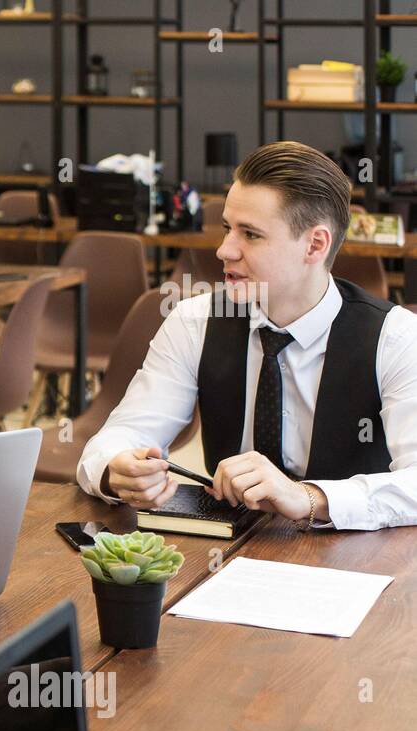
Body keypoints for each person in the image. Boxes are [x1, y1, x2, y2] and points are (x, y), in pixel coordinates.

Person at [78, 141, 417, 531]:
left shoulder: (396, 337)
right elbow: (117, 438)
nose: (224, 250)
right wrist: (116, 470)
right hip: (227, 549)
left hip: (357, 555)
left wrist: (308, 497)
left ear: (315, 244)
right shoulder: (195, 320)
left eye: (251, 235)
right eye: (227, 229)